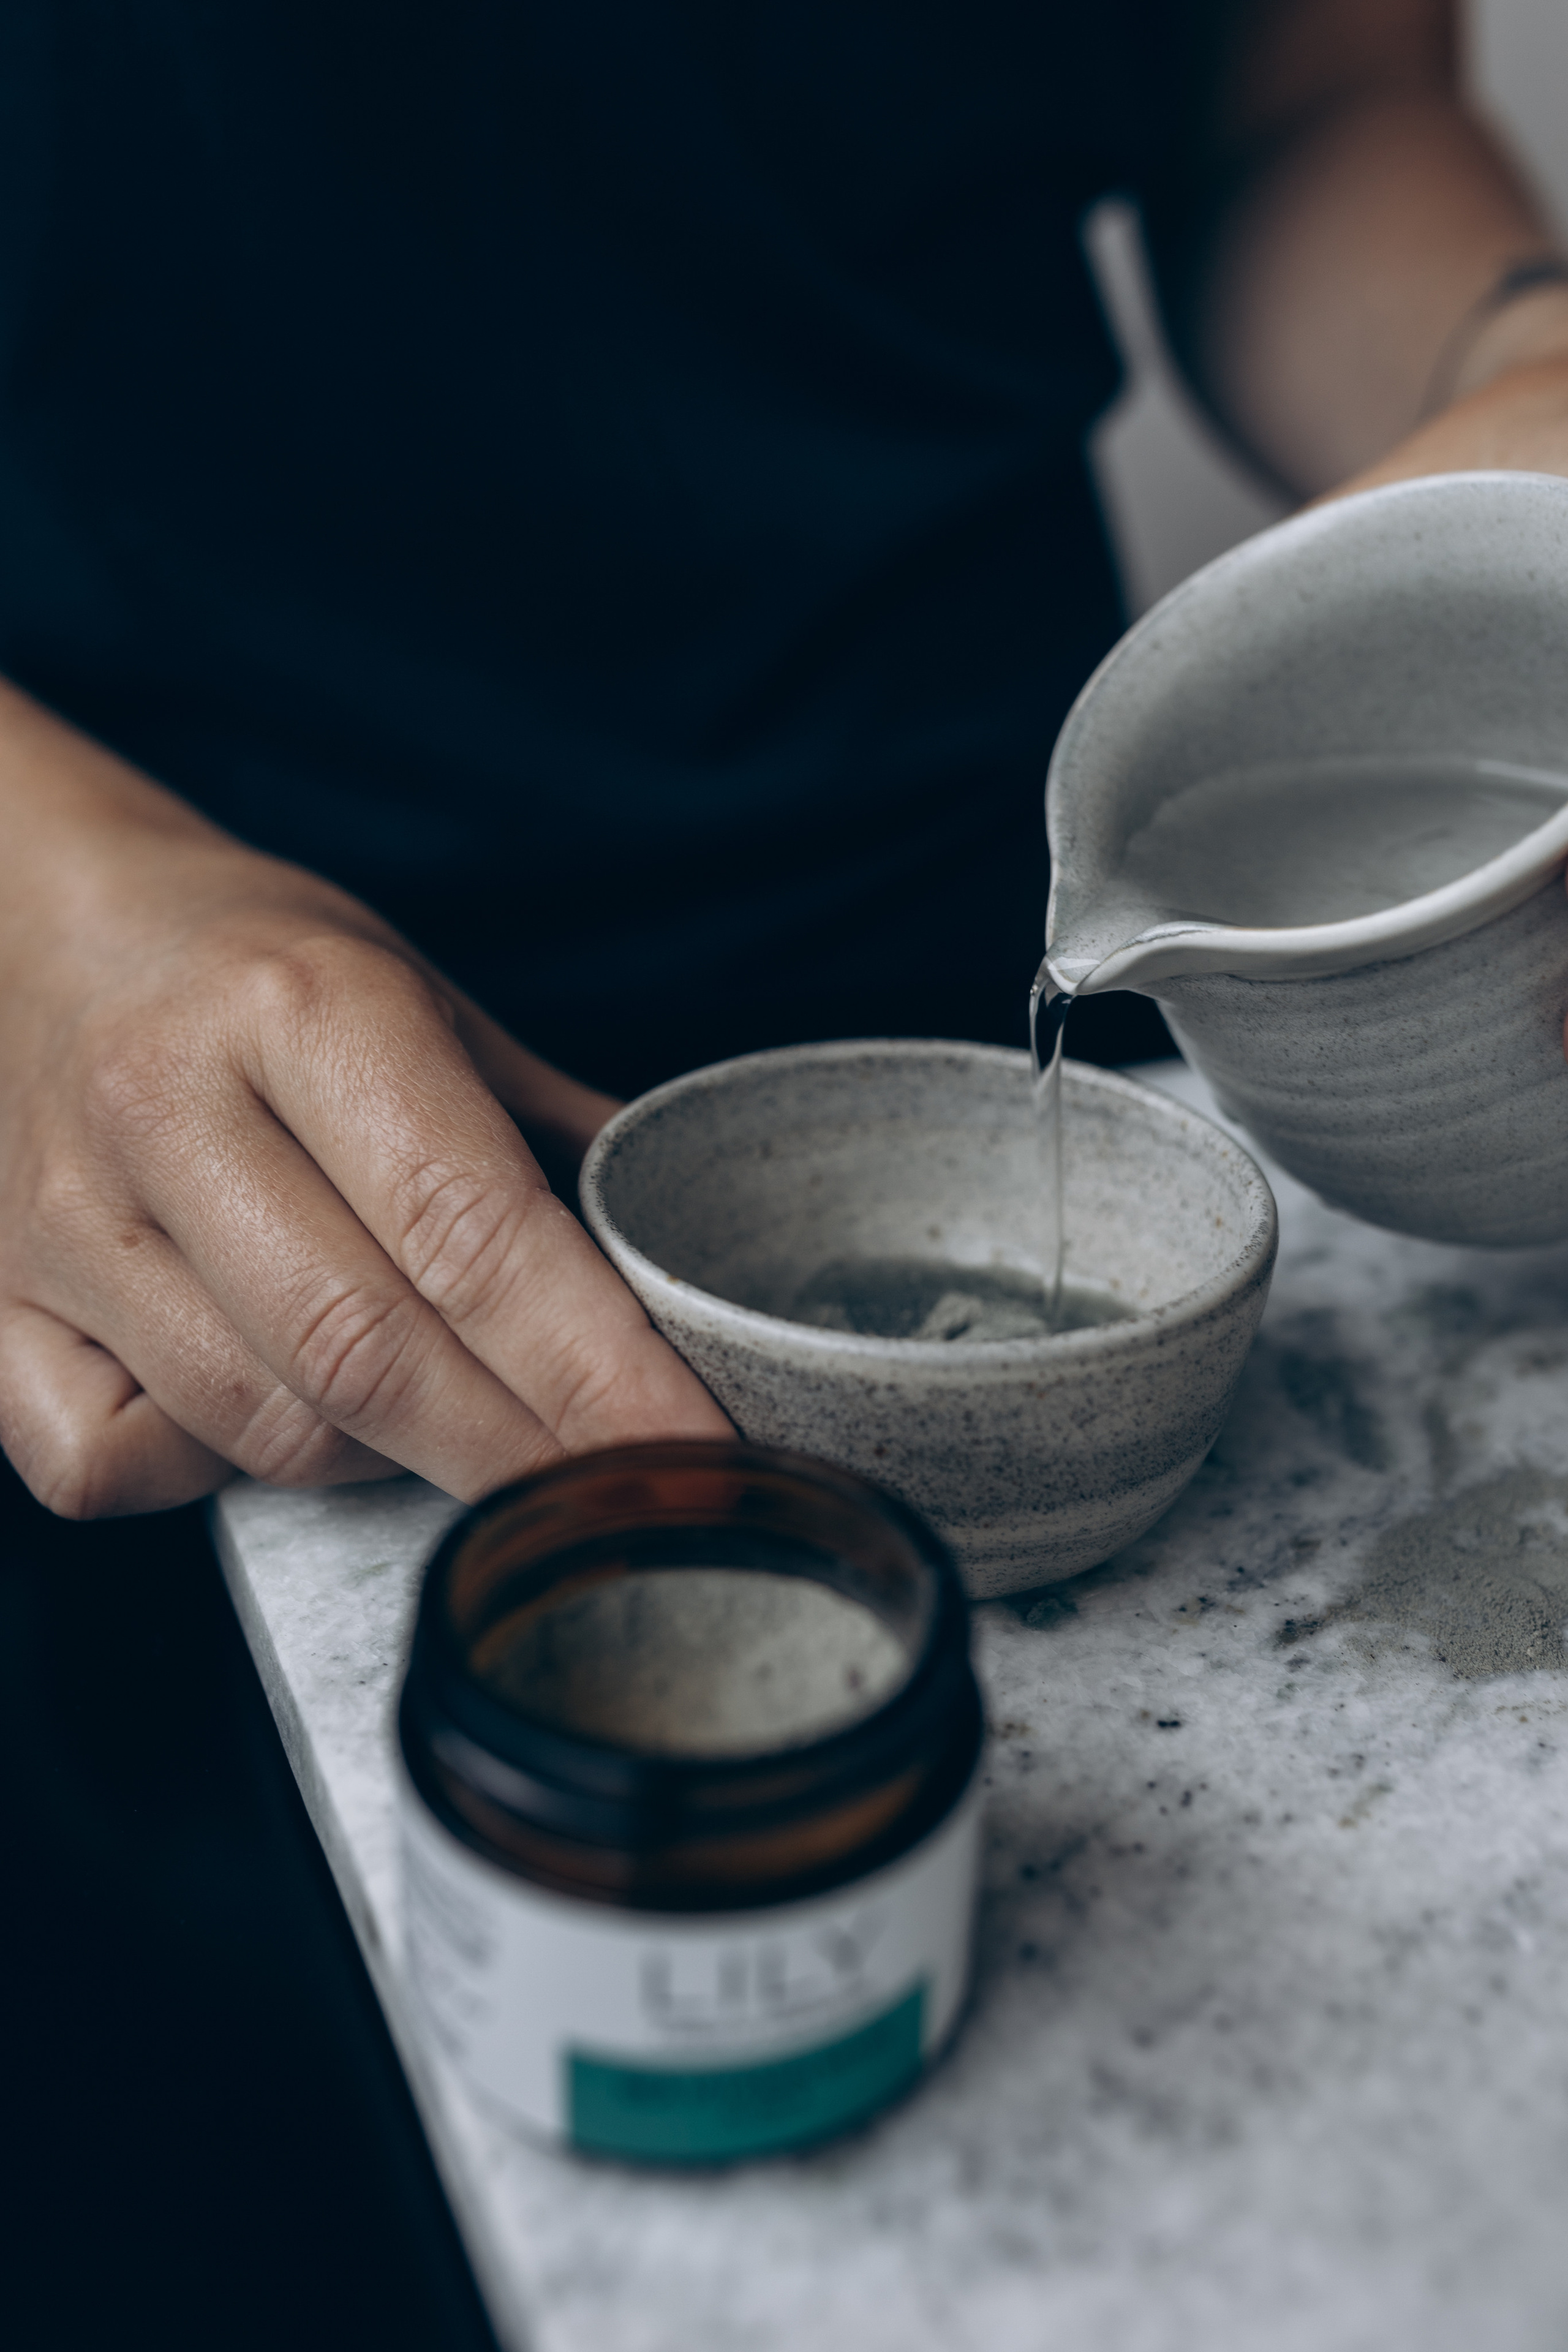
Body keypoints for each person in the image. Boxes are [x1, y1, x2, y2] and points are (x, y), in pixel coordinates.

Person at [2, 0, 1566, 1521]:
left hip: (1033, 958)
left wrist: (1527, 357)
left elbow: (1303, 104)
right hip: (142, 1093)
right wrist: (44, 918)